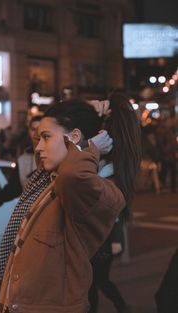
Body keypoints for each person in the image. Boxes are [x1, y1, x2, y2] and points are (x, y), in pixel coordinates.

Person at [0, 97, 131, 313]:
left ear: (74, 137)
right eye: (37, 139)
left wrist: (88, 149)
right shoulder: (46, 183)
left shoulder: (92, 188)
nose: (38, 148)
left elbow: (74, 176)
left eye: (46, 137)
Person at [88, 93, 141, 313]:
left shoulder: (107, 170)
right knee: (94, 282)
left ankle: (121, 306)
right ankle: (120, 306)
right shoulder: (119, 166)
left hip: (97, 236)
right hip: (98, 235)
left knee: (95, 282)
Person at [17, 115, 42, 187]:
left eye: (39, 129)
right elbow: (14, 187)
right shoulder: (22, 159)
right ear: (29, 131)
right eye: (33, 129)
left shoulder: (54, 155)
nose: (36, 134)